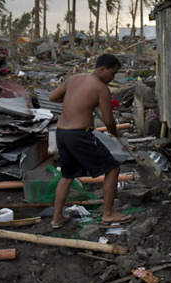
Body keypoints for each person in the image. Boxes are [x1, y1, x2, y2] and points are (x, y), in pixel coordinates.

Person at [48, 53, 132, 229]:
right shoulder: (101, 88)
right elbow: (109, 122)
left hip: (62, 133)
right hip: (79, 136)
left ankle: (57, 218)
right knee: (113, 169)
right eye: (113, 73)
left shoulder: (74, 79)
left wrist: (76, 101)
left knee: (67, 175)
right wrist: (116, 134)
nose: (113, 77)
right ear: (103, 69)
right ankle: (108, 214)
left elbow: (53, 97)